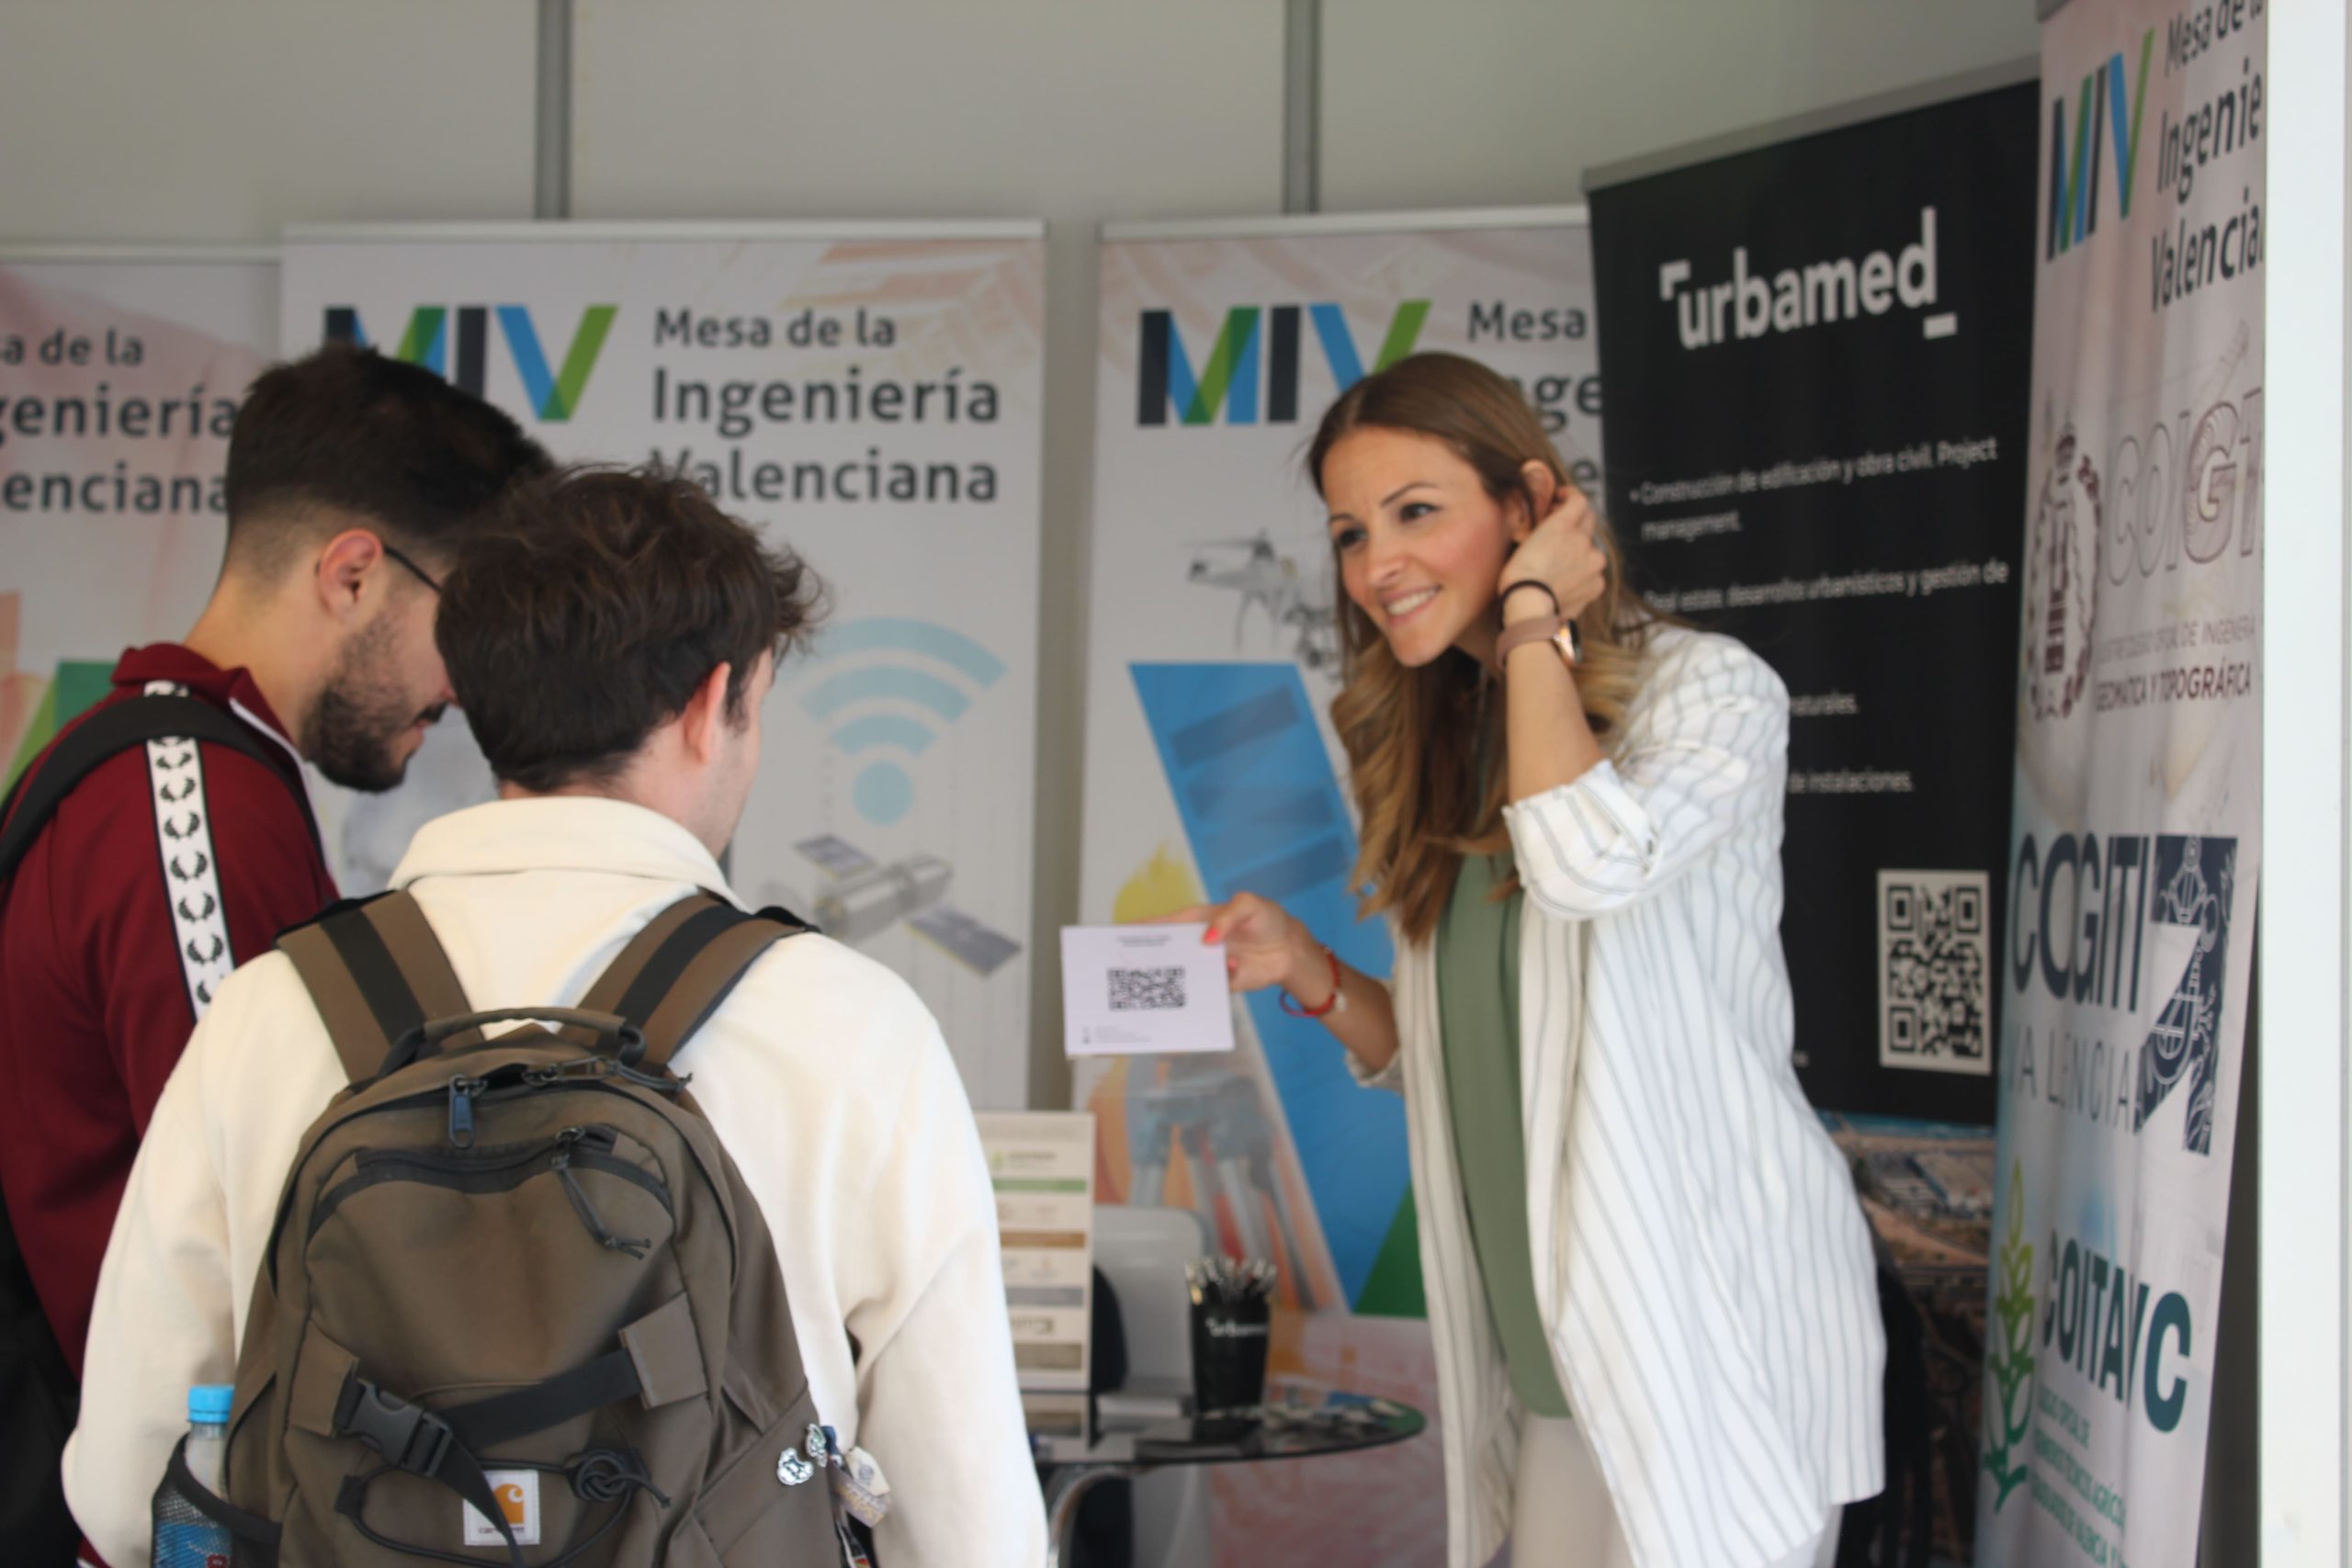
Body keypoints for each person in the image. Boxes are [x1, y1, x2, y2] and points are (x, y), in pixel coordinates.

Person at [64, 466, 1047, 1568]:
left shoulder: (270, 1010)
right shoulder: (851, 1028)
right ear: (711, 704)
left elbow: (127, 1489)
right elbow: (969, 1528)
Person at [1179, 354, 1883, 1568]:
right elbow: (1476, 1067)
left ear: (1530, 505)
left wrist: (1530, 619)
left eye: (1415, 511)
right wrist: (1309, 970)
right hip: (1560, 1365)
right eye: (1351, 533)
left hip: (1711, 1345)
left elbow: (1585, 863)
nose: (1377, 564)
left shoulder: (1709, 692)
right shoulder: (1449, 745)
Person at [0, 345, 548, 1562]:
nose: (463, 690)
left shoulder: (183, 771)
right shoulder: (187, 794)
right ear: (353, 573)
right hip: (158, 1510)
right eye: (462, 622)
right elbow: (275, 1222)